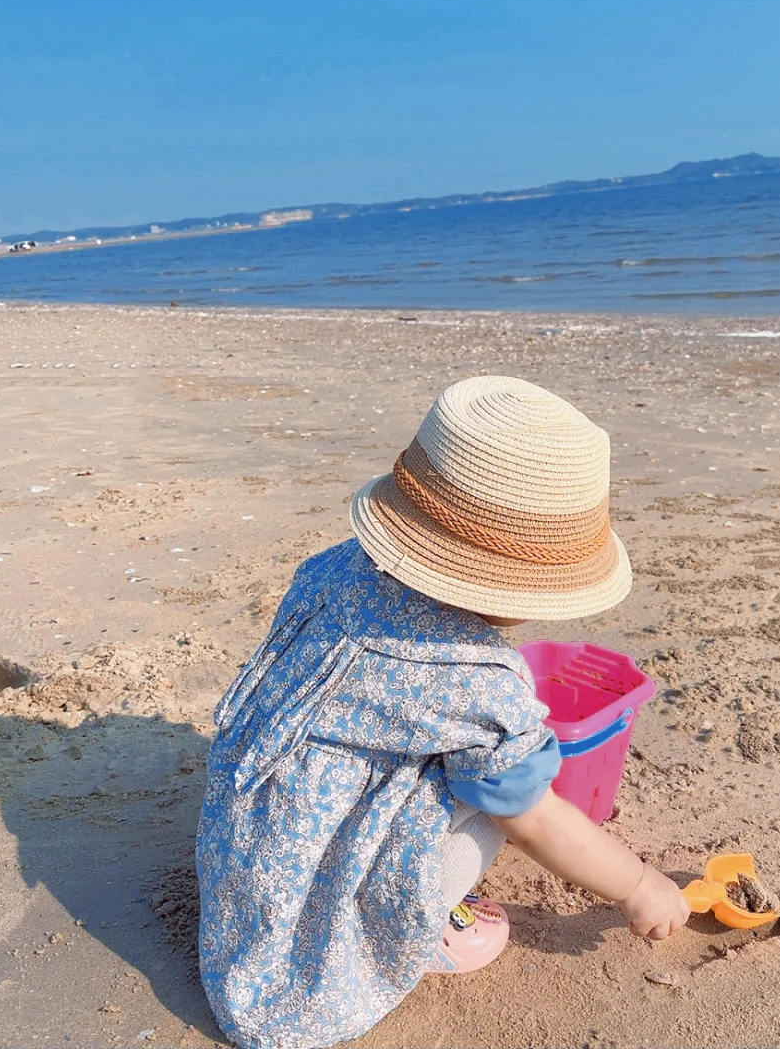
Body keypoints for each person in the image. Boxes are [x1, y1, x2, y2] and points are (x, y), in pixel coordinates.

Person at [196, 376, 690, 1049]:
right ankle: (425, 929)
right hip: (310, 916)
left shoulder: (333, 568)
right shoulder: (478, 683)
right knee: (495, 808)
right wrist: (639, 884)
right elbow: (536, 820)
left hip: (248, 836)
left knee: (478, 775)